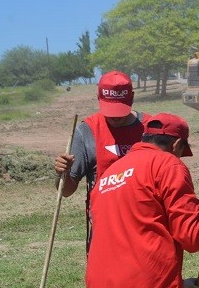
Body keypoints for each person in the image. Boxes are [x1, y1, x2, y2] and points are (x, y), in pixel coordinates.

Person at [85, 113, 199, 288]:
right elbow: (193, 236)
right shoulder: (168, 165)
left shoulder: (109, 175)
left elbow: (129, 243)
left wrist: (176, 286)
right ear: (177, 145)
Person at [53, 70, 152, 252]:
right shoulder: (87, 131)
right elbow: (66, 191)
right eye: (110, 110)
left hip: (146, 227)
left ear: (132, 98)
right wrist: (62, 173)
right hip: (104, 229)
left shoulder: (151, 129)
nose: (115, 117)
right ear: (99, 98)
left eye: (120, 110)